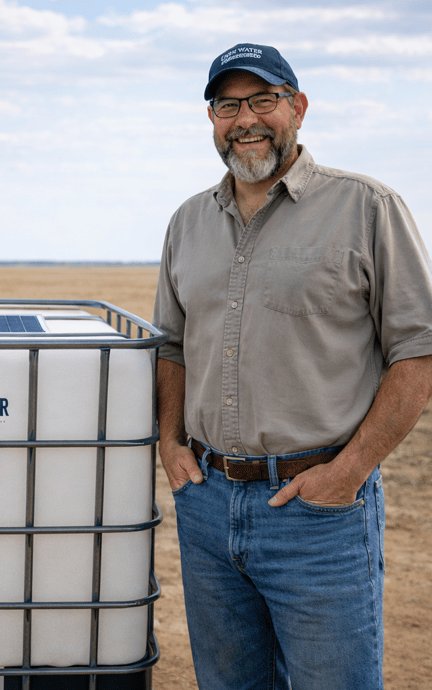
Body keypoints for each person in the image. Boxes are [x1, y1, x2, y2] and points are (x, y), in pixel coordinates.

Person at [153, 42, 432, 690]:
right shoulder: (187, 222)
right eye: (228, 104)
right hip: (206, 506)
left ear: (298, 108)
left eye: (263, 100)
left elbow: (417, 351)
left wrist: (348, 473)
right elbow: (172, 345)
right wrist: (169, 445)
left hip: (319, 514)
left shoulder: (368, 209)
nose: (245, 118)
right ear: (212, 119)